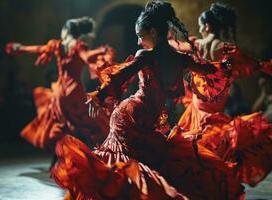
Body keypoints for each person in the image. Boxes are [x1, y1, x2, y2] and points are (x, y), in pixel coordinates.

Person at [51, 2, 245, 199]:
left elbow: (121, 75)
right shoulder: (180, 58)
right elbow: (211, 70)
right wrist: (228, 65)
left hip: (140, 117)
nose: (138, 42)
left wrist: (99, 97)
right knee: (134, 167)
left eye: (140, 36)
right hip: (130, 118)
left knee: (141, 167)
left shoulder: (148, 55)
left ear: (153, 32)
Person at [168, 3, 272, 187]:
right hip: (213, 117)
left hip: (194, 114)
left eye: (201, 26)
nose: (200, 29)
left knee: (189, 160)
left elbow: (173, 46)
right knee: (213, 161)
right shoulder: (228, 50)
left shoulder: (196, 45)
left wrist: (165, 35)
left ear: (207, 26)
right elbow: (254, 65)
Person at [5, 17, 112, 152]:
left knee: (63, 127)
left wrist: (21, 48)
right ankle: (87, 157)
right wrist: (101, 51)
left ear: (66, 31)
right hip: (75, 93)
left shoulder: (57, 45)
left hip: (60, 94)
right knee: (90, 126)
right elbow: (87, 57)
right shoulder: (79, 46)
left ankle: (64, 158)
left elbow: (39, 49)